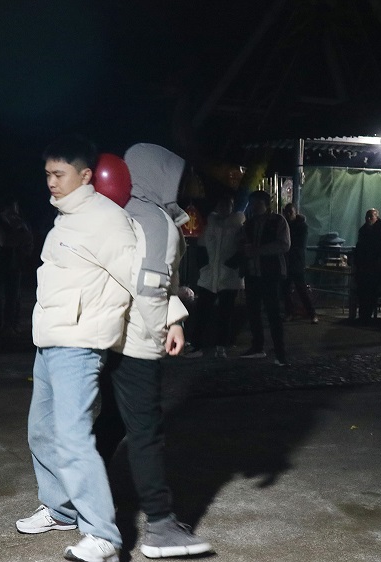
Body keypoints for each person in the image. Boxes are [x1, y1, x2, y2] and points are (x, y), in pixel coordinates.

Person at [17, 135, 135, 562]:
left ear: (85, 175)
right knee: (41, 430)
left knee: (73, 438)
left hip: (80, 342)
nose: (51, 181)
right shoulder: (64, 218)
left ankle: (103, 535)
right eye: (47, 174)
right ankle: (62, 510)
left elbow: (137, 275)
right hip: (50, 340)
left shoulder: (107, 219)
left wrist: (172, 316)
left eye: (59, 174)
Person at [95, 143, 212, 558]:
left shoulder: (121, 211)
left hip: (111, 334)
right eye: (178, 175)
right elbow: (150, 285)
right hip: (138, 339)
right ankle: (161, 527)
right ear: (160, 174)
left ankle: (75, 498)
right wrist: (168, 323)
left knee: (111, 421)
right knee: (146, 432)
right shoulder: (155, 219)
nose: (184, 184)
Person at [187, 194, 244, 359]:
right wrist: (204, 267)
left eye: (227, 205)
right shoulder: (210, 225)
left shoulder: (238, 226)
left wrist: (233, 265)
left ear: (232, 207)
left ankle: (221, 346)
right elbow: (201, 247)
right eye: (221, 205)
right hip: (209, 275)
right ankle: (197, 345)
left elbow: (242, 248)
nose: (224, 208)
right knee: (202, 311)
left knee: (225, 314)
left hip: (229, 277)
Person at [238, 190, 290, 365]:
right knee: (253, 312)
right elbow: (243, 243)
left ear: (266, 205)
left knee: (273, 313)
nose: (254, 207)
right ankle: (258, 346)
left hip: (271, 273)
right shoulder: (249, 223)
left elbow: (284, 244)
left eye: (257, 203)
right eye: (252, 203)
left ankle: (280, 352)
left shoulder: (278, 221)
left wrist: (258, 250)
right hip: (253, 273)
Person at [0, 197, 33, 339]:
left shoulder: (21, 223)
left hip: (15, 265)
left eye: (16, 207)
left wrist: (22, 233)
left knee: (14, 297)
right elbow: (5, 241)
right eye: (12, 207)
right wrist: (20, 235)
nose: (15, 211)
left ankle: (11, 326)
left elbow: (29, 239)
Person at [281, 202, 317, 324]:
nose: (288, 214)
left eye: (290, 212)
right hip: (286, 262)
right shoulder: (284, 225)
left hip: (296, 262)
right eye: (287, 212)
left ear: (296, 213)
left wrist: (286, 248)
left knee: (301, 289)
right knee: (285, 290)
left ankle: (312, 313)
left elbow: (300, 245)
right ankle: (290, 313)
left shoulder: (302, 226)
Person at [353, 208, 381, 322]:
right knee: (364, 292)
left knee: (369, 292)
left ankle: (365, 316)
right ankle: (364, 316)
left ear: (376, 218)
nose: (368, 219)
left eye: (371, 217)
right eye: (367, 216)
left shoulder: (379, 233)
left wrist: (376, 264)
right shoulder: (371, 232)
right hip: (366, 267)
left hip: (372, 268)